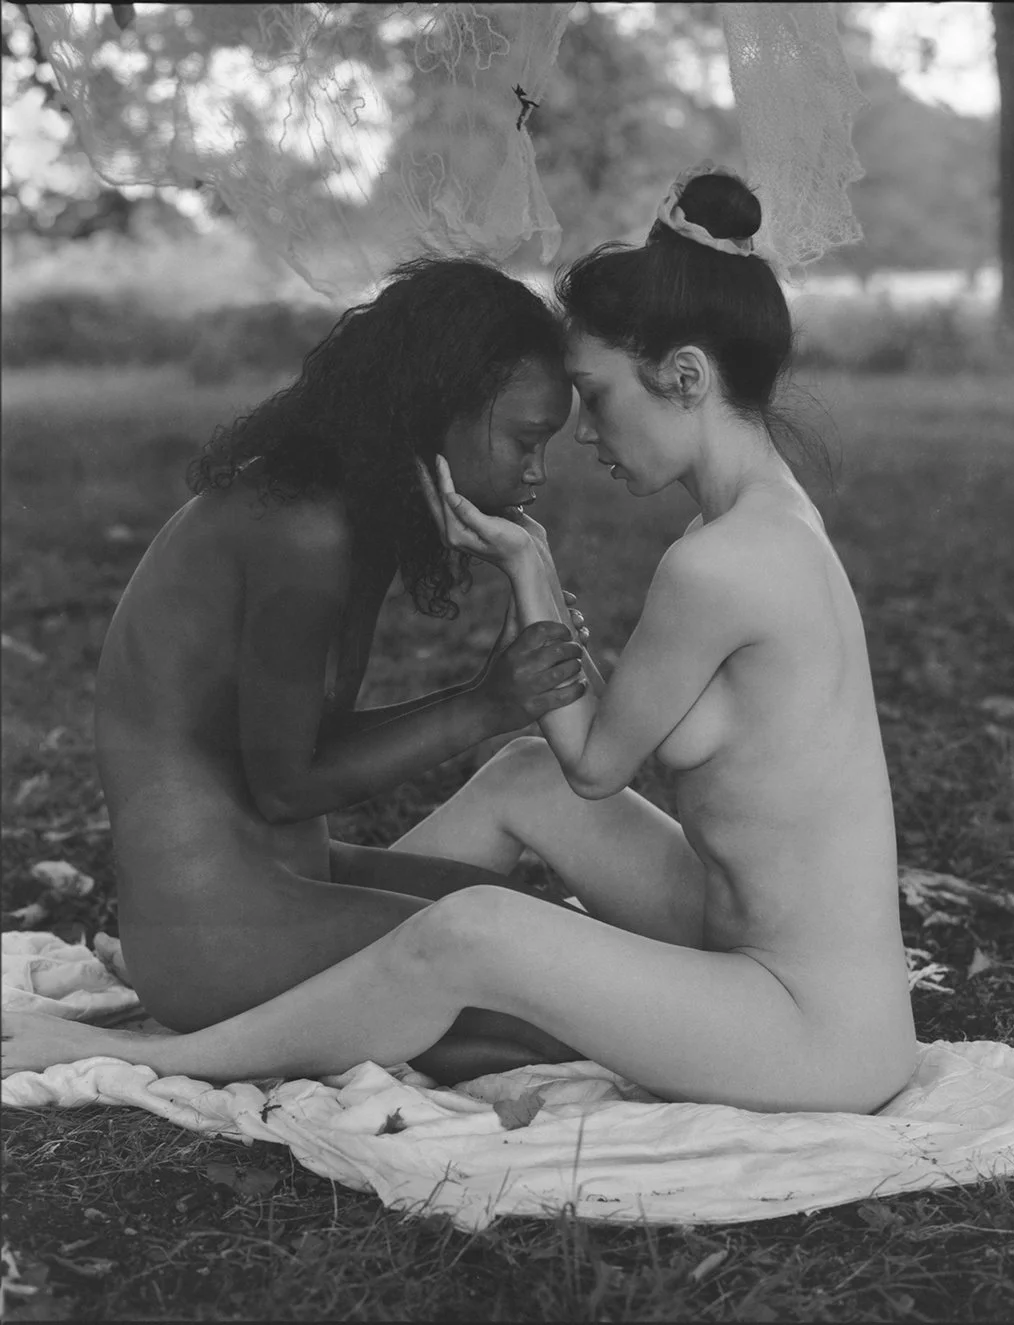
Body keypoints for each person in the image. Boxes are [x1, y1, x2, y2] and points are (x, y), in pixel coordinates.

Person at [4, 168, 917, 1113]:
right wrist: (521, 603)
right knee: (505, 834)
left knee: (477, 933)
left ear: (685, 378)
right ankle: (330, 974)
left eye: (595, 398)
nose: (581, 442)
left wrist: (525, 584)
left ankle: (198, 1041)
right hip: (758, 951)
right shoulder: (763, 526)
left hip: (807, 1028)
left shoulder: (718, 564)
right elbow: (551, 752)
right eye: (540, 430)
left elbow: (598, 761)